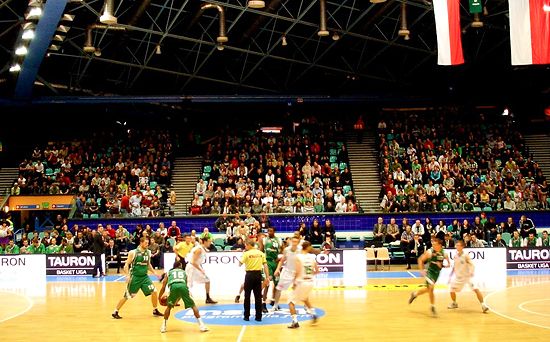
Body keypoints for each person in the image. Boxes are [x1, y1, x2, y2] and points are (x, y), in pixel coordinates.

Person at [112, 237, 164, 319]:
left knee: (154, 291)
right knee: (127, 295)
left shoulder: (148, 252)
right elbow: (126, 264)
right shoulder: (133, 252)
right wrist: (127, 275)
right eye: (146, 243)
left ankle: (155, 310)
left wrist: (154, 272)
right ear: (141, 243)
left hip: (145, 277)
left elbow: (148, 264)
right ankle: (115, 311)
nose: (147, 244)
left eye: (148, 243)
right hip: (135, 278)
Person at [158, 260, 208, 333]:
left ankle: (163, 326)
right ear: (180, 266)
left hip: (173, 286)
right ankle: (202, 326)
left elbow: (163, 287)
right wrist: (187, 294)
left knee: (169, 307)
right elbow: (185, 285)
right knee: (193, 306)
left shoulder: (168, 273)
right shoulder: (184, 272)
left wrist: (159, 297)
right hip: (183, 286)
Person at [408, 238, 450, 316]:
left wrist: (442, 266)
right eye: (433, 244)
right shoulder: (430, 252)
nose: (433, 245)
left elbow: (449, 265)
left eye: (435, 244)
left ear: (440, 245)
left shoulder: (444, 253)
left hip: (437, 273)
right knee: (431, 287)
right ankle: (432, 306)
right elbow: (420, 260)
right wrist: (422, 270)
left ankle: (415, 294)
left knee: (428, 289)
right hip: (430, 271)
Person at [447, 240, 489, 313]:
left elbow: (471, 264)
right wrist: (450, 275)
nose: (456, 246)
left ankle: (483, 305)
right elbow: (454, 266)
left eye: (458, 245)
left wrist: (471, 271)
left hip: (467, 277)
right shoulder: (455, 256)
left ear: (462, 247)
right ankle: (454, 303)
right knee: (451, 290)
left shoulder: (465, 255)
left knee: (476, 289)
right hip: (458, 278)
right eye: (456, 245)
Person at [288, 241, 319, 329]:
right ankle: (313, 314)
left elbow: (297, 272)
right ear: (308, 247)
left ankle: (295, 322)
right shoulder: (312, 257)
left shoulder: (298, 257)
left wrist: (294, 282)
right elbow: (317, 270)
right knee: (304, 298)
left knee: (291, 302)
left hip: (301, 282)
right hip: (310, 282)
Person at [239, 239, 270, 322]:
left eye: (246, 245)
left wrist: (243, 256)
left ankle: (246, 316)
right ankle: (258, 316)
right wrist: (267, 277)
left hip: (249, 275)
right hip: (258, 275)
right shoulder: (261, 253)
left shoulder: (246, 253)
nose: (245, 246)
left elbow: (239, 264)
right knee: (258, 296)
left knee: (247, 296)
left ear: (249, 245)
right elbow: (265, 265)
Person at [272, 235, 302, 311]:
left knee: (298, 290)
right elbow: (282, 261)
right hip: (286, 272)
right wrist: (277, 269)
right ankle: (275, 305)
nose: (294, 243)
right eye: (293, 241)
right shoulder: (286, 250)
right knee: (278, 288)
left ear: (298, 242)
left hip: (296, 273)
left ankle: (301, 306)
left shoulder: (301, 250)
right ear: (291, 241)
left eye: (296, 242)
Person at [185, 237, 217, 304]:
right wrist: (201, 270)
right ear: (204, 242)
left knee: (207, 280)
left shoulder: (202, 248)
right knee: (188, 285)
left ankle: (208, 298)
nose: (210, 243)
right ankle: (177, 300)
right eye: (209, 241)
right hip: (192, 268)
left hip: (195, 267)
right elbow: (193, 262)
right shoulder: (199, 249)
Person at [261, 227, 282, 313]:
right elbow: (261, 250)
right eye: (268, 231)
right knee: (267, 283)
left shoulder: (279, 240)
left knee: (277, 284)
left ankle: (273, 301)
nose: (269, 232)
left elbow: (283, 250)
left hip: (275, 263)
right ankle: (263, 303)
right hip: (267, 262)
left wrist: (279, 258)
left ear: (274, 232)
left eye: (271, 231)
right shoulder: (264, 240)